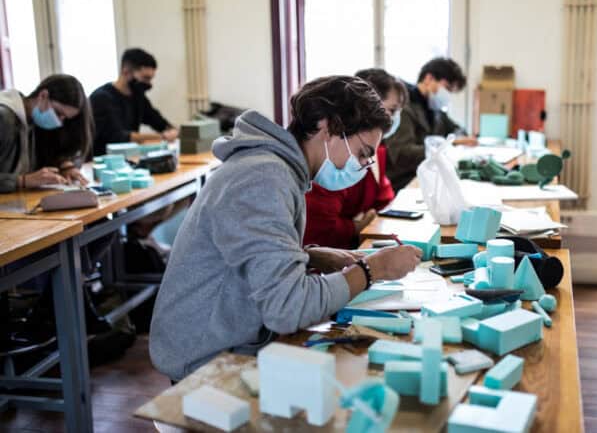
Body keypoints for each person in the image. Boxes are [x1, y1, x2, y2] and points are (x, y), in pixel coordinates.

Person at [149, 76, 423, 381]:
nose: (363, 166)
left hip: (237, 339)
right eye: (361, 153)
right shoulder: (262, 178)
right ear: (327, 128)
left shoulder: (279, 170)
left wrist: (312, 257)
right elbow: (288, 307)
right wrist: (373, 270)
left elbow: (250, 256)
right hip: (207, 362)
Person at [303, 68, 405, 249]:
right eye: (392, 110)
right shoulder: (331, 162)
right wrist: (358, 226)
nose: (394, 119)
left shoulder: (373, 150)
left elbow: (384, 199)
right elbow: (321, 229)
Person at [385, 57, 476, 192]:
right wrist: (450, 144)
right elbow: (401, 153)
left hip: (428, 175)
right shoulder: (403, 107)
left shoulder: (434, 109)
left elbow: (457, 129)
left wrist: (459, 139)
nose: (448, 95)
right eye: (447, 88)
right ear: (429, 79)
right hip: (404, 181)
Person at [0, 74, 92, 193]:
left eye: (64, 118)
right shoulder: (4, 117)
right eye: (58, 113)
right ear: (43, 96)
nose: (59, 122)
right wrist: (22, 181)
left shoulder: (32, 120)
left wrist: (65, 166)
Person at [90, 48, 178, 156]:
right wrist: (163, 137)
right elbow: (120, 137)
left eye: (150, 79)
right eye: (145, 78)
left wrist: (172, 130)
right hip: (103, 161)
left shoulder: (138, 97)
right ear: (126, 71)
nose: (148, 84)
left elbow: (158, 121)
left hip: (128, 158)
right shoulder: (102, 98)